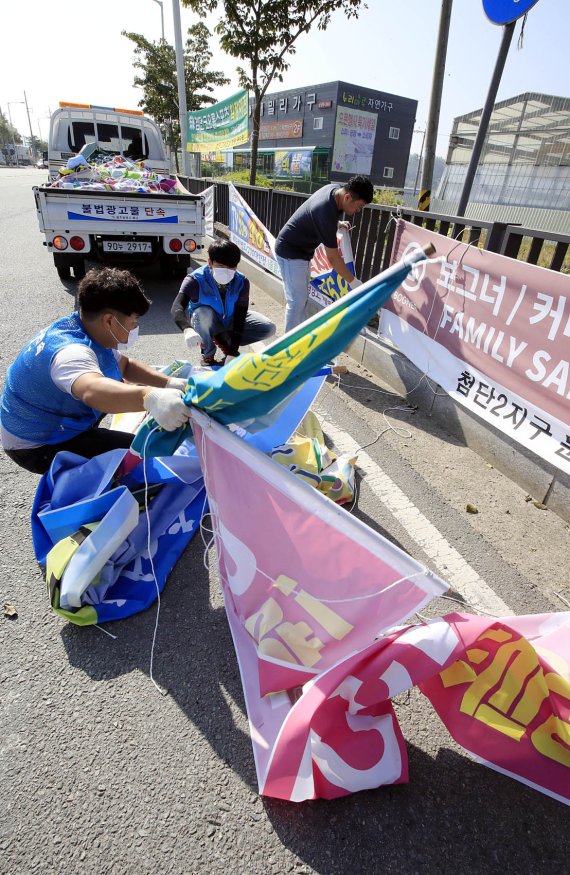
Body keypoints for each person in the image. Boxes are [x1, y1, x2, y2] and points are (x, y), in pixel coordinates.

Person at [0, 267, 192, 475]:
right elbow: (92, 390)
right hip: (37, 445)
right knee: (146, 456)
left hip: (50, 423)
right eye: (133, 322)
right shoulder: (72, 353)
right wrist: (150, 396)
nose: (135, 329)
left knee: (135, 447)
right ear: (109, 321)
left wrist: (168, 383)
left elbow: (125, 365)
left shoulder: (85, 328)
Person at [274, 174, 374, 332]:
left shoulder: (335, 190)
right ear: (348, 197)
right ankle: (288, 350)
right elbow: (333, 259)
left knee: (301, 300)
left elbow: (321, 216)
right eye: (359, 206)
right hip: (290, 253)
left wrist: (337, 223)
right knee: (297, 302)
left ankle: (300, 339)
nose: (358, 211)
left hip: (302, 252)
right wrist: (355, 283)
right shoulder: (325, 211)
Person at [171, 239, 276, 366]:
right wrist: (187, 329)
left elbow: (240, 316)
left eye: (232, 267)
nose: (227, 270)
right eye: (221, 266)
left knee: (268, 328)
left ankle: (224, 340)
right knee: (201, 314)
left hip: (230, 319)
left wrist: (232, 351)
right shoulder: (195, 280)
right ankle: (208, 355)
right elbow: (177, 307)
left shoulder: (242, 282)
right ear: (210, 262)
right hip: (207, 321)